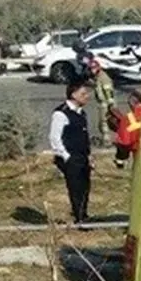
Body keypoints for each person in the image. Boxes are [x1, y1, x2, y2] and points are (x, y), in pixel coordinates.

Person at [49, 82, 94, 225]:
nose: (87, 97)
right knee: (75, 187)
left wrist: (89, 155)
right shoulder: (61, 113)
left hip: (82, 156)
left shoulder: (81, 113)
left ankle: (84, 214)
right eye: (83, 94)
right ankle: (79, 217)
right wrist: (66, 156)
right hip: (70, 157)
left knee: (85, 186)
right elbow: (54, 137)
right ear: (73, 95)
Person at [113, 89, 141, 169]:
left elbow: (124, 141)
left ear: (134, 100)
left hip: (136, 149)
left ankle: (119, 163)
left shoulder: (129, 117)